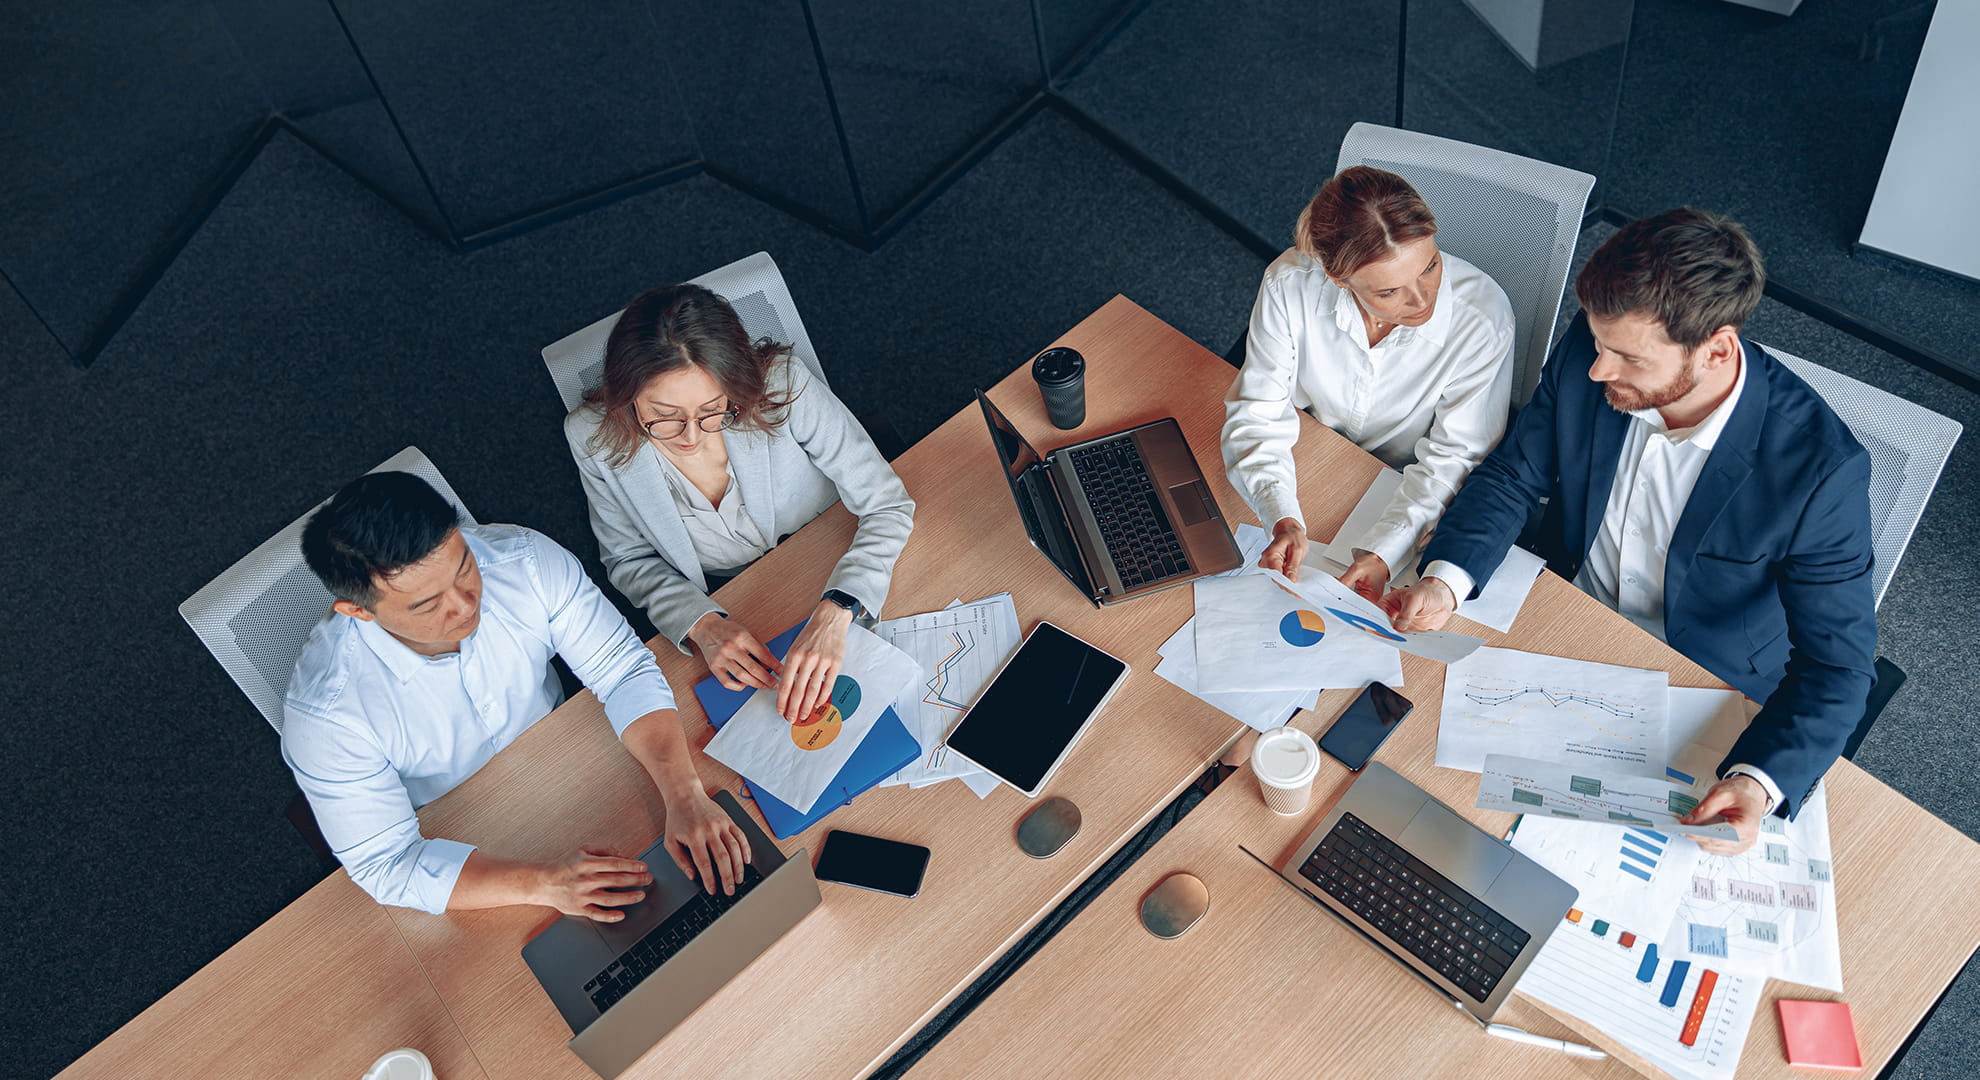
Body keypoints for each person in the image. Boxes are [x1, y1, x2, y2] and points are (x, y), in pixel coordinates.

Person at [1385, 208, 1877, 855]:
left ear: (1717, 350)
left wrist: (1758, 782)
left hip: (1701, 681)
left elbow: (1838, 666)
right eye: (1597, 344)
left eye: (1626, 357)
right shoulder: (1595, 348)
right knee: (1433, 805)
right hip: (1562, 621)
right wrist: (1446, 582)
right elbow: (1512, 474)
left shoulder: (1820, 472)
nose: (1596, 370)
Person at [283, 471, 750, 917]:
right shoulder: (326, 717)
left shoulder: (524, 559)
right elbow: (386, 863)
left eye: (463, 567)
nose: (466, 604)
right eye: (428, 604)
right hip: (458, 830)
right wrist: (542, 884)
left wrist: (685, 796)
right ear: (357, 611)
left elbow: (623, 670)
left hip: (571, 753)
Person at [565, 283, 914, 726]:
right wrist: (701, 625)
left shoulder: (782, 384)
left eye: (714, 411)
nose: (693, 437)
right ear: (626, 394)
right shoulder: (591, 437)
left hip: (838, 553)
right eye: (665, 416)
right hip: (740, 600)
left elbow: (887, 504)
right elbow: (628, 558)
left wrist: (838, 610)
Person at [1223, 165, 1516, 600]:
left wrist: (1382, 552)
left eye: (1430, 266)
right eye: (1388, 292)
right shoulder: (1290, 283)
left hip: (1405, 483)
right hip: (1314, 456)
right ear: (1337, 279)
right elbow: (1259, 410)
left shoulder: (1482, 319)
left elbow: (1454, 459)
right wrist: (1281, 516)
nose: (1422, 299)